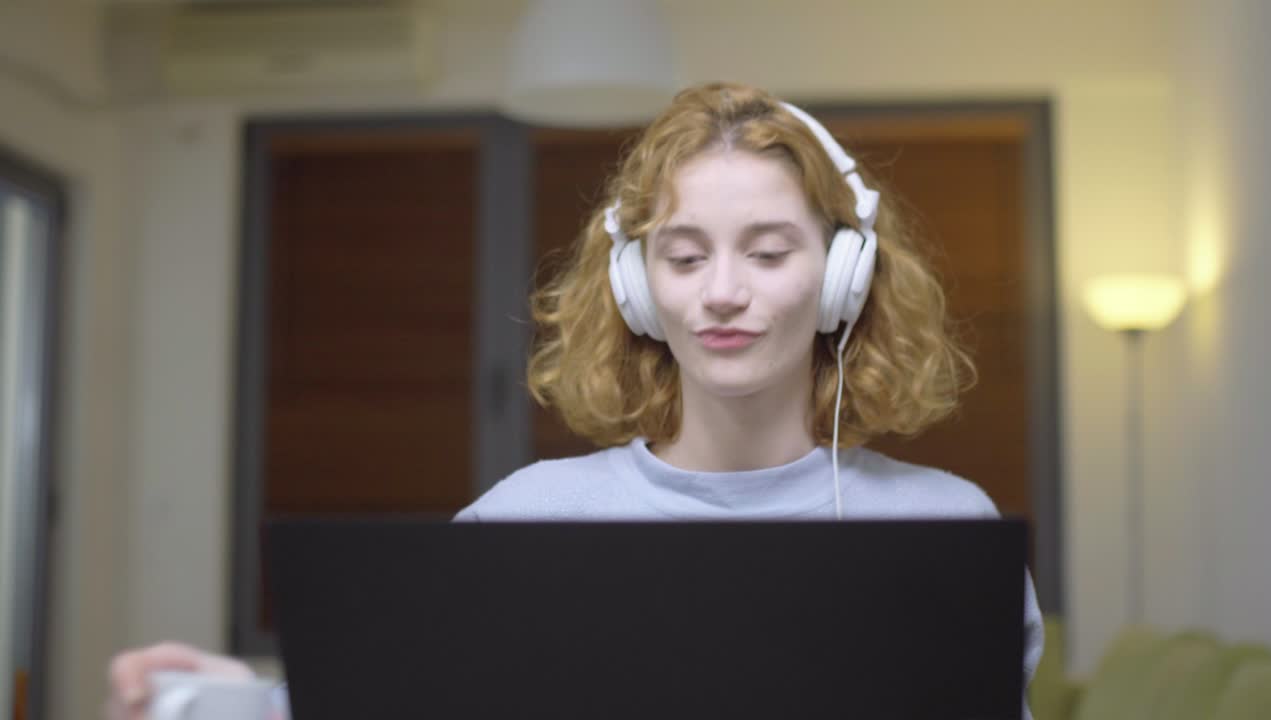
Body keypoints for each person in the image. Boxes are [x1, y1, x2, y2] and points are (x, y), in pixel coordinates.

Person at [106, 82, 1044, 719]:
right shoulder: (526, 520)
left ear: (844, 276)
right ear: (639, 290)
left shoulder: (943, 526)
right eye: (684, 256)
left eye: (767, 252)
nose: (722, 291)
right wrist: (243, 697)